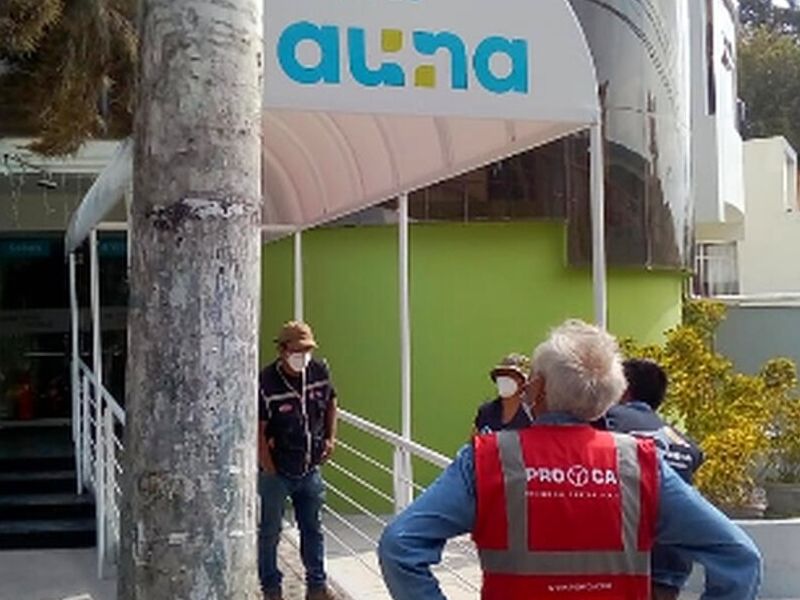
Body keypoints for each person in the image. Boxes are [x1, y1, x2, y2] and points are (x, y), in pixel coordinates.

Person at [378, 320, 762, 600]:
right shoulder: (640, 464)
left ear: (539, 389)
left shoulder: (487, 459)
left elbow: (400, 545)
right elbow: (740, 558)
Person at [605, 358, 704, 600]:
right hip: (673, 563)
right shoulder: (684, 442)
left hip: (630, 559)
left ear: (623, 390)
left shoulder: (610, 421)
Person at [258, 321, 338, 600]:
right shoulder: (266, 382)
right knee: (270, 532)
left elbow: (331, 402)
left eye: (307, 350)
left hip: (310, 468)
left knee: (313, 529)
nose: (302, 356)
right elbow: (258, 428)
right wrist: (268, 466)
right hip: (277, 471)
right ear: (282, 350)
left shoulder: (318, 371)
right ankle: (271, 589)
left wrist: (330, 438)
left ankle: (317, 586)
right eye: (297, 351)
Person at [473, 353, 533, 434]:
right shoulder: (486, 411)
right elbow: (474, 439)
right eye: (501, 375)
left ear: (523, 382)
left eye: (511, 375)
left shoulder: (532, 415)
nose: (504, 379)